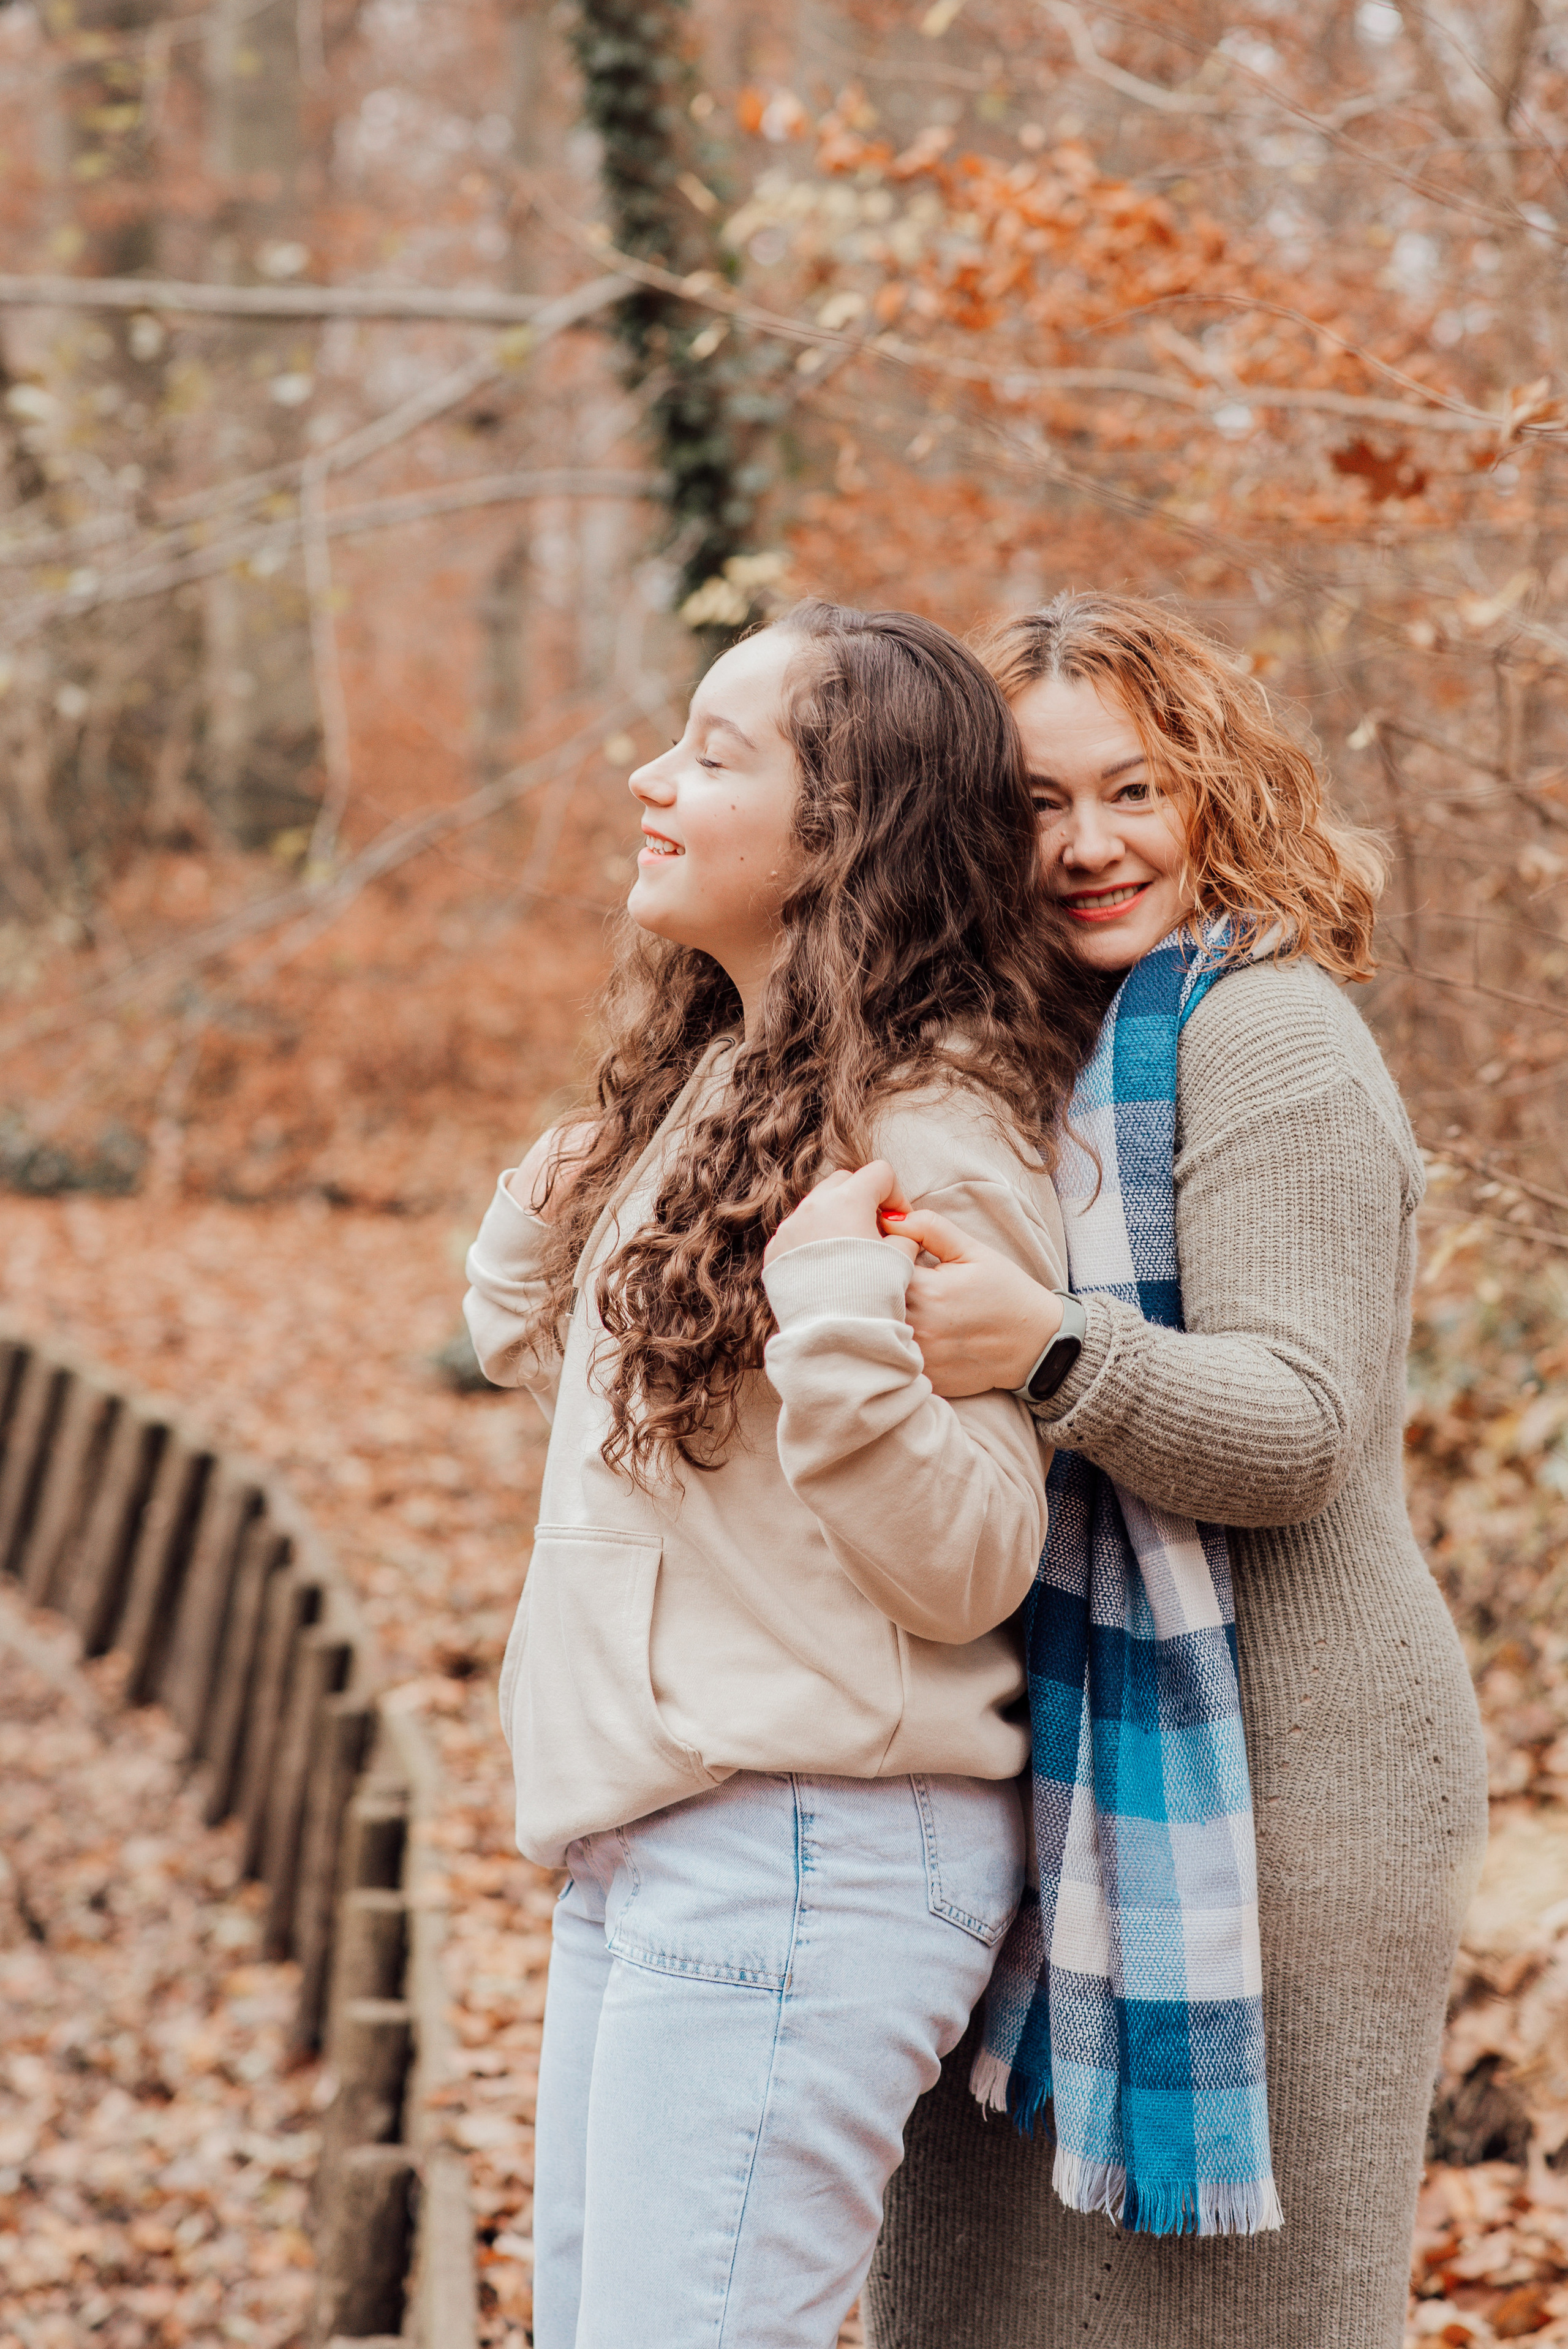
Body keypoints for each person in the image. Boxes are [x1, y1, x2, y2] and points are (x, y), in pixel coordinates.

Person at [462, 602, 1104, 2349]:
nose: (650, 779)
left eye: (715, 753)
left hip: (808, 1848)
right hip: (678, 1841)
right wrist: (536, 1250)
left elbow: (973, 1551)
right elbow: (673, 1456)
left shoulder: (933, 1126)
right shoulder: (743, 1077)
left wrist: (840, 1325)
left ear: (845, 832)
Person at [861, 592, 1490, 2349]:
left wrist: (1053, 1350)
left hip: (1298, 1791)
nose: (1087, 847)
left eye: (1134, 791)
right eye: (1035, 806)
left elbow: (1299, 1425)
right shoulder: (1017, 1055)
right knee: (980, 2298)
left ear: (1217, 792)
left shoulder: (1267, 1036)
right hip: (1063, 1767)